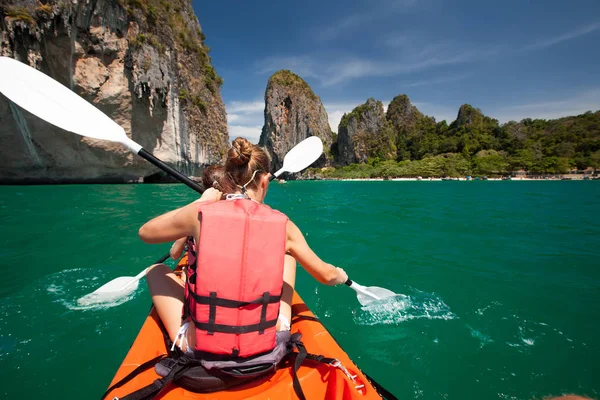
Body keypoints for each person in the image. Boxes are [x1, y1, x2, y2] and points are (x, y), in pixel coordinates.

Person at [137, 137, 348, 389]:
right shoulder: (284, 225)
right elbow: (325, 275)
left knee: (156, 270)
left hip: (202, 351)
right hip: (269, 347)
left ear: (227, 177)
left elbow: (146, 233)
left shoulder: (200, 214)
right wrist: (341, 276)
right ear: (264, 181)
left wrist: (200, 202)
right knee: (288, 256)